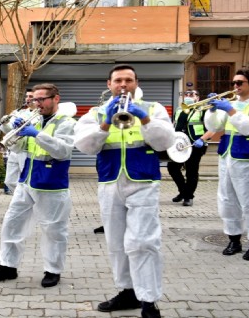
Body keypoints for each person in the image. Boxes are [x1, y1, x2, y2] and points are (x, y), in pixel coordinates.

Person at [74, 65, 175, 318]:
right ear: (109, 84)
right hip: (109, 181)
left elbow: (165, 142)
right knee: (116, 242)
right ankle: (127, 291)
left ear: (136, 83)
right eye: (118, 80)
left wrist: (145, 118)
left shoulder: (154, 108)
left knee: (143, 242)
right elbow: (85, 147)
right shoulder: (96, 113)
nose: (123, 85)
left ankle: (149, 301)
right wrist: (106, 122)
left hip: (143, 181)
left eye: (128, 80)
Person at [0, 83, 76, 289]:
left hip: (51, 183)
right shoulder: (35, 119)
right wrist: (13, 132)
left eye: (42, 99)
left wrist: (36, 134)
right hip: (27, 181)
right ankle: (8, 265)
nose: (38, 104)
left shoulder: (66, 122)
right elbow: (20, 148)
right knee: (12, 222)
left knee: (53, 229)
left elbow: (63, 151)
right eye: (35, 100)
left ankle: (53, 270)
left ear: (56, 99)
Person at [204, 69, 249, 261]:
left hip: (248, 159)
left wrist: (230, 110)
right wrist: (212, 111)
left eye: (240, 83)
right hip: (227, 156)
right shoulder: (233, 103)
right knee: (227, 201)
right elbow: (214, 127)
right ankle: (234, 239)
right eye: (234, 82)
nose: (235, 86)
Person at [168, 89, 215, 207]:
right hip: (180, 145)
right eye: (186, 94)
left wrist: (202, 140)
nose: (188, 96)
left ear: (198, 98)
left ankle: (188, 197)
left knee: (191, 171)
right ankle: (183, 192)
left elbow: (213, 128)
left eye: (192, 94)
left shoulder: (202, 110)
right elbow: (174, 125)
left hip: (195, 145)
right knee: (172, 168)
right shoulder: (179, 110)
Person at [0, 89, 34, 195]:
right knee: (9, 181)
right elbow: (10, 130)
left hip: (26, 150)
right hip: (14, 149)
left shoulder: (40, 114)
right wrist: (5, 123)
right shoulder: (19, 113)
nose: (28, 99)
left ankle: (25, 199)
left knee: (26, 179)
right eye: (27, 96)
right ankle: (20, 197)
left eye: (31, 96)